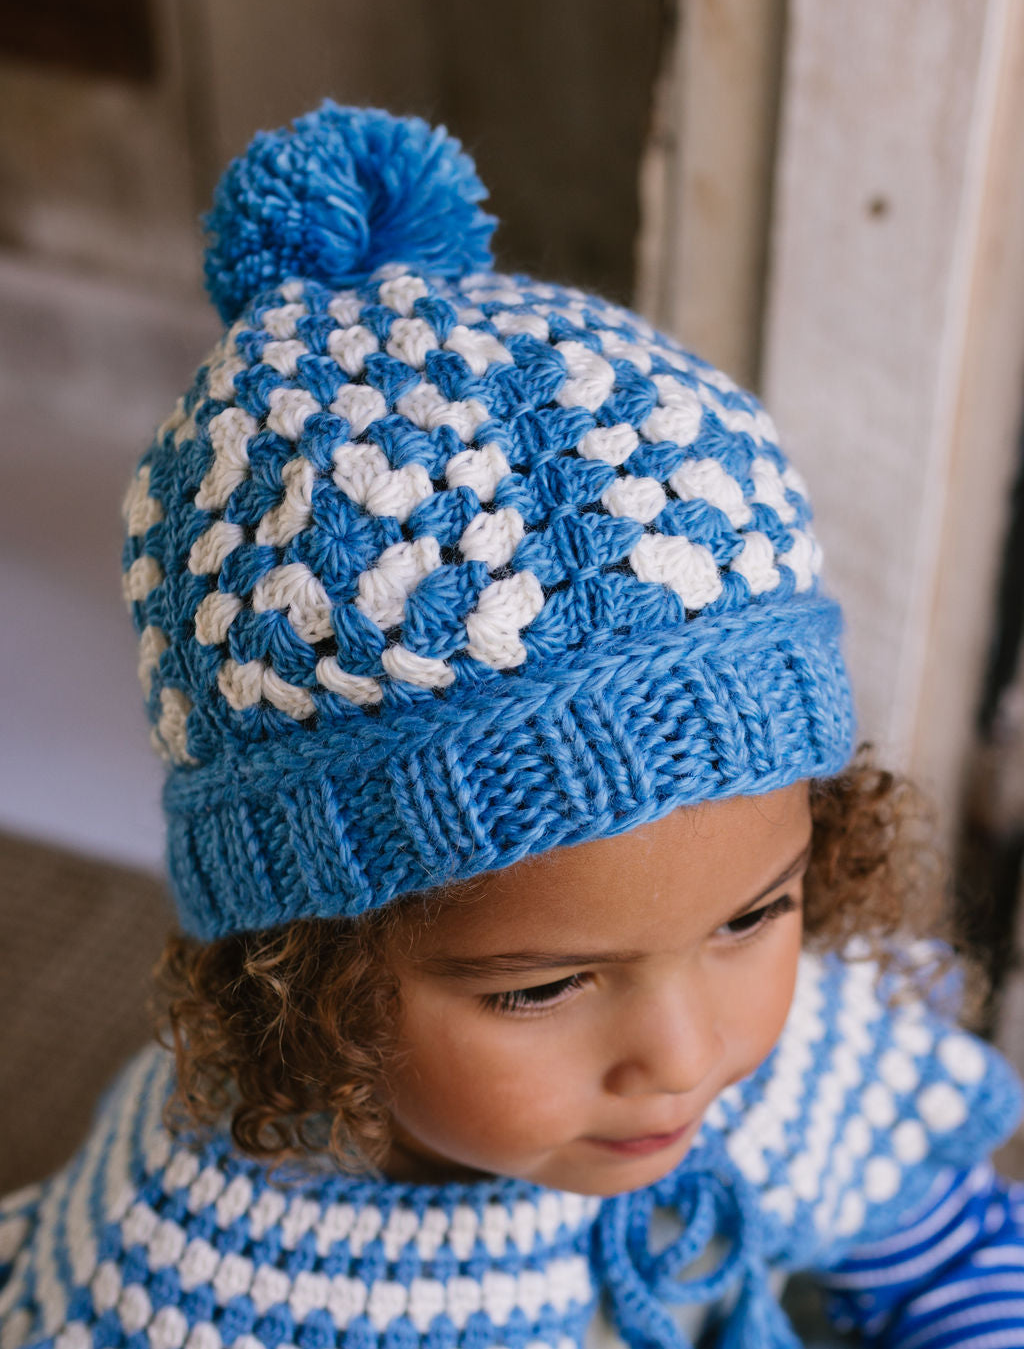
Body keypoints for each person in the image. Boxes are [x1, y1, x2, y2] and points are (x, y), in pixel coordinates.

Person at [2, 103, 1024, 1349]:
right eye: (539, 988)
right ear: (301, 980)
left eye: (754, 913)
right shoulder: (194, 1295)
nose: (686, 1054)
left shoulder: (769, 1051)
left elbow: (954, 1245)